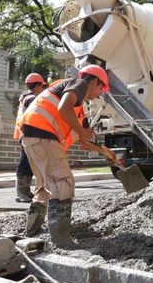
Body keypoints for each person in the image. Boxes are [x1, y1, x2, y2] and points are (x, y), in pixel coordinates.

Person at [17, 64, 111, 247]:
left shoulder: (76, 104)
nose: (99, 94)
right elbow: (63, 108)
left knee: (44, 185)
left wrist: (103, 151)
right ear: (93, 80)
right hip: (42, 133)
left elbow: (81, 137)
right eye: (101, 88)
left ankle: (33, 230)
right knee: (62, 182)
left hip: (30, 135)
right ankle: (62, 240)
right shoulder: (79, 83)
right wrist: (82, 131)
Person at [13, 73, 47, 203]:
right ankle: (21, 193)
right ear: (38, 85)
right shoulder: (31, 98)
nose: (42, 89)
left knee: (29, 163)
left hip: (28, 134)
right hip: (28, 134)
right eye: (41, 86)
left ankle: (26, 192)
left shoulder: (26, 97)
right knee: (25, 163)